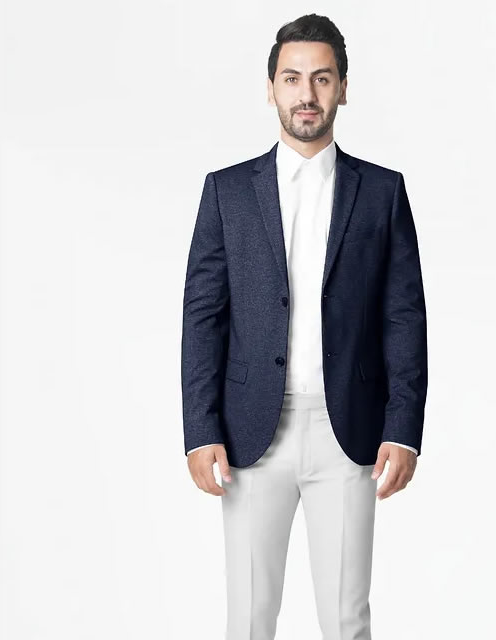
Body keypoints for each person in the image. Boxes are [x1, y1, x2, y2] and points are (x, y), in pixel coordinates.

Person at [181, 13, 428, 640]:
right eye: (292, 78)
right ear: (270, 89)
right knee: (249, 618)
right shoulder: (227, 192)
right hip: (249, 433)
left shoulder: (382, 192)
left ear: (343, 87)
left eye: (321, 77)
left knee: (346, 619)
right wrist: (200, 430)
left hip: (348, 432)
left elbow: (404, 315)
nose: (307, 93)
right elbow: (203, 315)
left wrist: (403, 429)